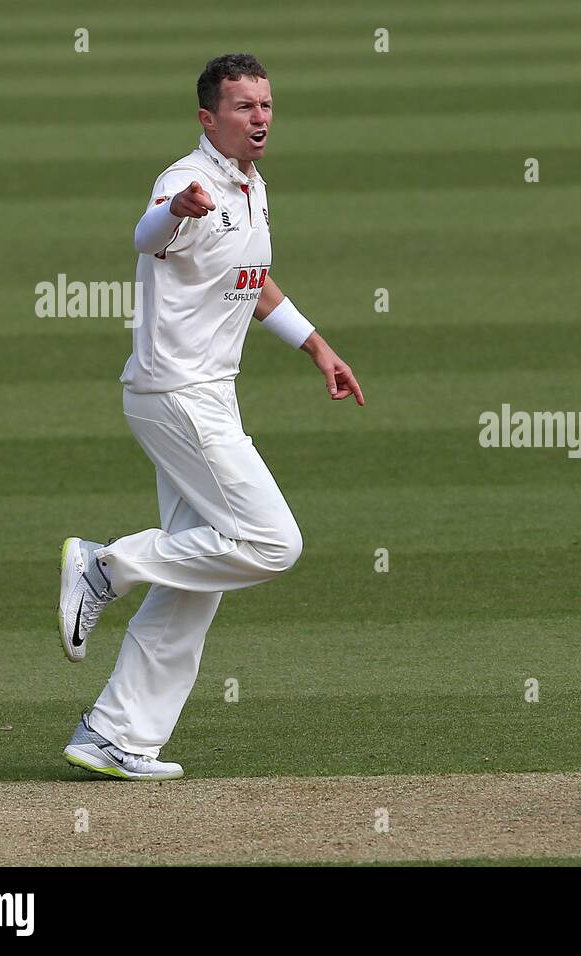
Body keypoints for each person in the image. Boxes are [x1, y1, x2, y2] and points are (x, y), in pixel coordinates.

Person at [56, 53, 364, 780]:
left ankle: (116, 734)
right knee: (269, 541)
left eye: (265, 104)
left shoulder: (252, 188)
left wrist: (317, 346)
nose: (259, 117)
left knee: (199, 579)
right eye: (243, 106)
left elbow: (250, 282)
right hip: (177, 392)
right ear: (208, 119)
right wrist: (176, 212)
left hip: (206, 393)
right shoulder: (185, 182)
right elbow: (147, 234)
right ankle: (104, 567)